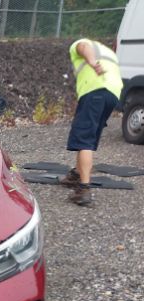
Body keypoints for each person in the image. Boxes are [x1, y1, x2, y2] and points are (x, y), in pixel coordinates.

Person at [61, 38, 123, 206]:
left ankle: (84, 190)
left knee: (84, 138)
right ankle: (76, 174)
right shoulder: (108, 52)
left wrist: (92, 63)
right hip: (112, 94)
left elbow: (83, 47)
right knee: (89, 135)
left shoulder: (81, 43)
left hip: (95, 90)